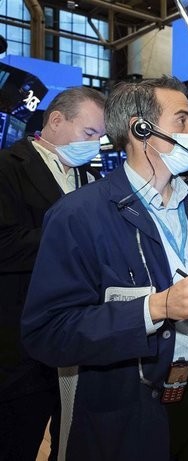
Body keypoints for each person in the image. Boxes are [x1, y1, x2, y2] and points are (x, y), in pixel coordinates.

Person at [21, 76, 188, 461]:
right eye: (182, 120)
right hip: (130, 408)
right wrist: (156, 308)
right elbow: (48, 333)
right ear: (140, 128)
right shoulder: (77, 215)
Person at [0, 86, 105, 461]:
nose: (94, 145)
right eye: (89, 133)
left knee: (71, 441)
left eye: (99, 137)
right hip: (20, 343)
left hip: (77, 340)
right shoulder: (8, 167)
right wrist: (73, 237)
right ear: (56, 120)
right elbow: (5, 244)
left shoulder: (89, 178)